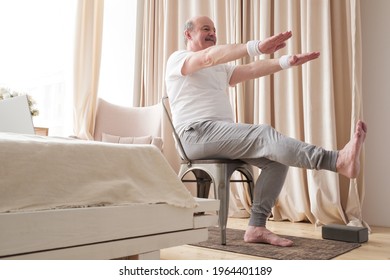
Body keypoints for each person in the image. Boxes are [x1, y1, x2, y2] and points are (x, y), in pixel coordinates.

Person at [165, 15, 367, 247]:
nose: (212, 33)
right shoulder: (179, 59)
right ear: (188, 35)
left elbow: (250, 69)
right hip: (194, 135)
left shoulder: (218, 68)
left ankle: (256, 227)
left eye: (214, 29)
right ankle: (336, 160)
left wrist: (285, 62)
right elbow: (209, 57)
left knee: (276, 159)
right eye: (205, 29)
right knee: (263, 134)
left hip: (219, 134)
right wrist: (256, 46)